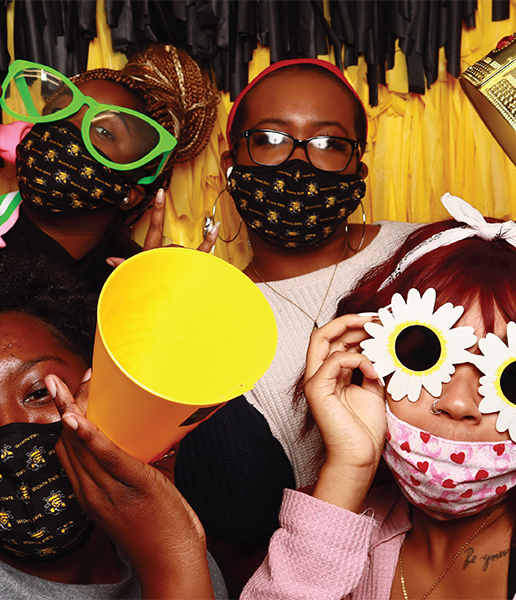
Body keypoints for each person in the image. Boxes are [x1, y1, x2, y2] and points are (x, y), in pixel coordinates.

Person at [242, 194, 516, 600]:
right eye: (421, 354)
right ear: (362, 357)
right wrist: (349, 470)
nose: (459, 403)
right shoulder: (332, 523)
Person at [173, 58, 421, 592]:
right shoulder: (209, 320)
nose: (299, 161)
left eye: (329, 143)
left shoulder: (427, 250)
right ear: (230, 161)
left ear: (359, 166)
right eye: (269, 138)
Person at [0, 255, 228, 599]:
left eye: (41, 392)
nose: (11, 437)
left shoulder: (176, 542)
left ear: (98, 386)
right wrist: (172, 561)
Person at [0, 44, 219, 317]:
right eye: (60, 110)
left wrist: (161, 322)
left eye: (103, 131)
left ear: (131, 192)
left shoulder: (134, 290)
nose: (66, 129)